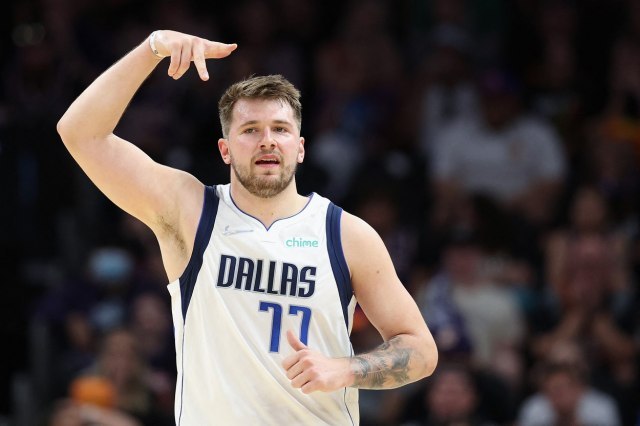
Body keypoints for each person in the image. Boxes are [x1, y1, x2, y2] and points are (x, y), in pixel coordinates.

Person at [56, 29, 438, 425]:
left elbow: (421, 351)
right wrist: (152, 48)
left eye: (280, 129)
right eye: (250, 129)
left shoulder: (345, 234)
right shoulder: (191, 210)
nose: (267, 141)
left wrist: (345, 369)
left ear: (300, 147)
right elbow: (80, 133)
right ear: (225, 149)